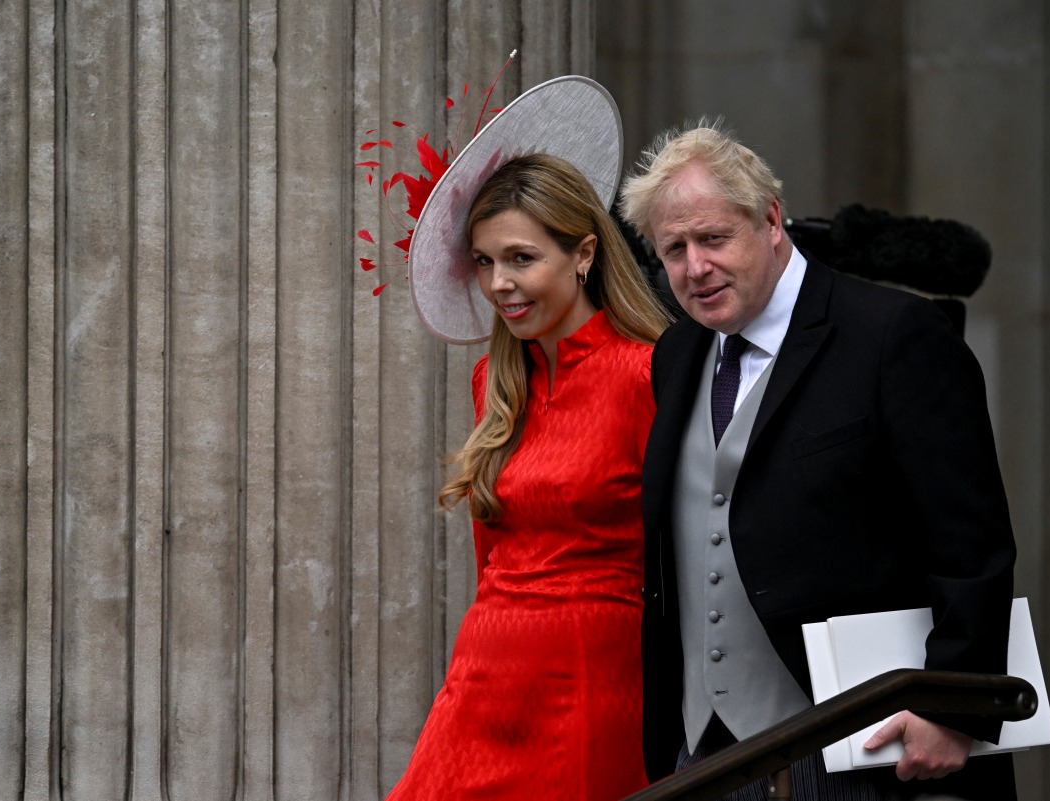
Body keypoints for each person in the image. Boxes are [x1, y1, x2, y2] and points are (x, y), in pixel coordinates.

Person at [619, 123, 1018, 801]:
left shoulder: (895, 335)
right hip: (703, 756)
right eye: (674, 250)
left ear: (771, 220)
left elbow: (971, 546)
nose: (695, 267)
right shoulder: (677, 354)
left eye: (713, 238)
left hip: (866, 750)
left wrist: (951, 706)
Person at [385, 77, 672, 800]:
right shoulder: (494, 379)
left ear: (582, 253)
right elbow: (493, 559)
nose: (498, 284)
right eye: (484, 262)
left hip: (593, 676)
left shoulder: (646, 373)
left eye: (520, 258)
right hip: (483, 675)